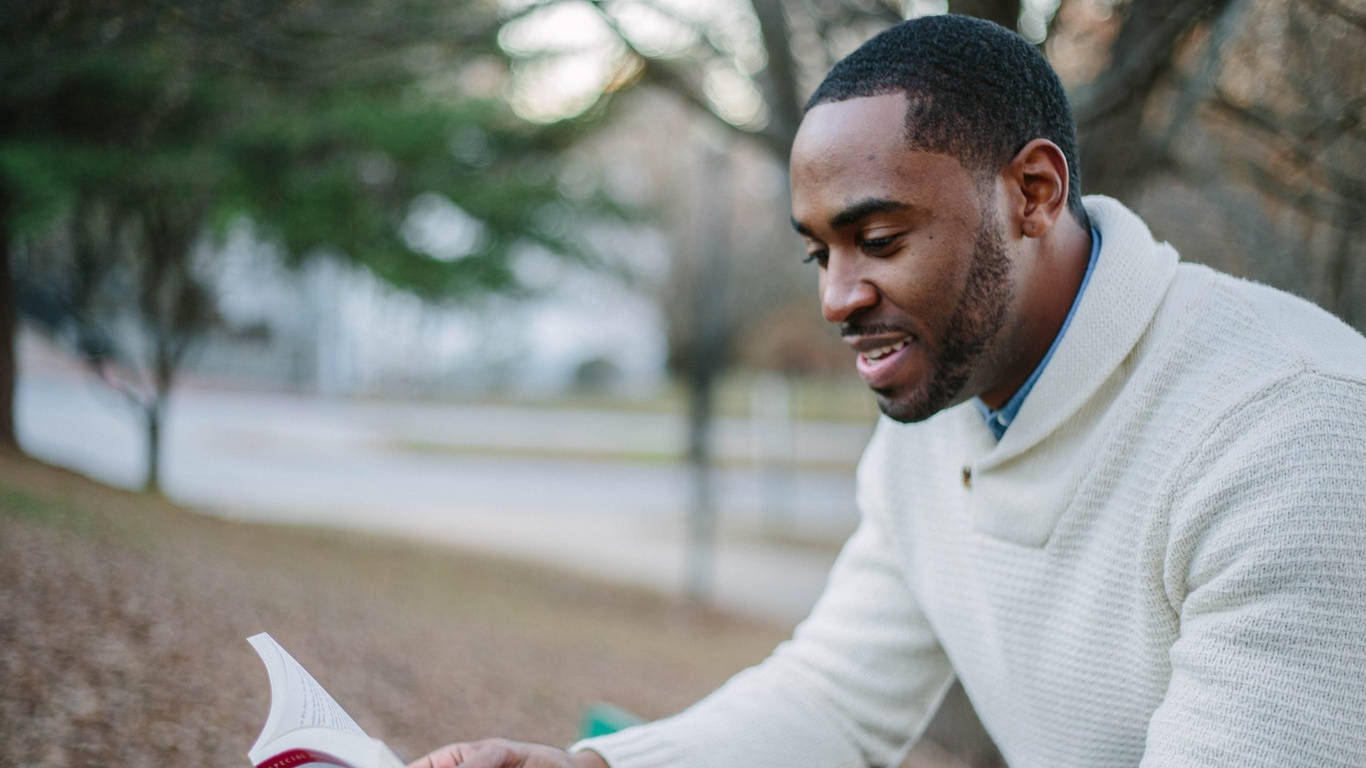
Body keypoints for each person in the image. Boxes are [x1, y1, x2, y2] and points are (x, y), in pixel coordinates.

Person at [412, 14, 1366, 768]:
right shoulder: (944, 405)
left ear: (1033, 192)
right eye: (819, 250)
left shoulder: (1291, 434)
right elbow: (836, 697)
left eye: (878, 240)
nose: (835, 299)